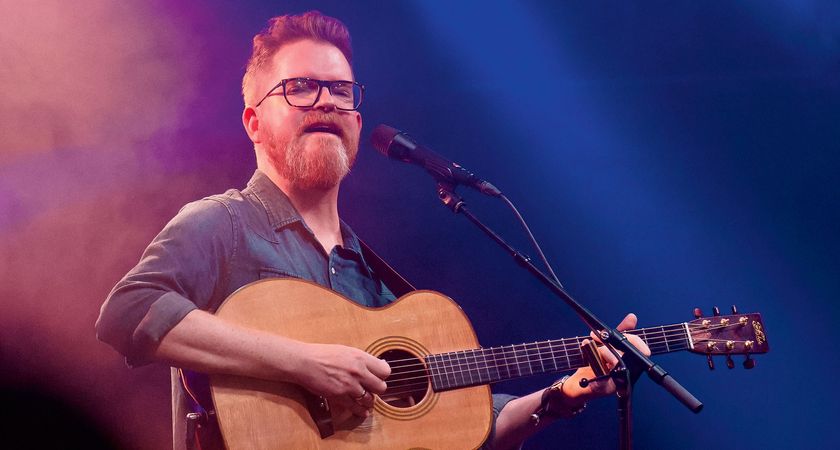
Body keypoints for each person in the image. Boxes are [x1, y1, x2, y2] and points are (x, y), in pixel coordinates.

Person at [95, 11, 649, 450]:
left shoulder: (377, 285)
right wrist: (305, 362)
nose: (325, 102)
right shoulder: (222, 222)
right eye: (300, 88)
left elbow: (464, 429)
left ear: (356, 124)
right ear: (253, 121)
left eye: (340, 91)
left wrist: (559, 395)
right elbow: (127, 312)